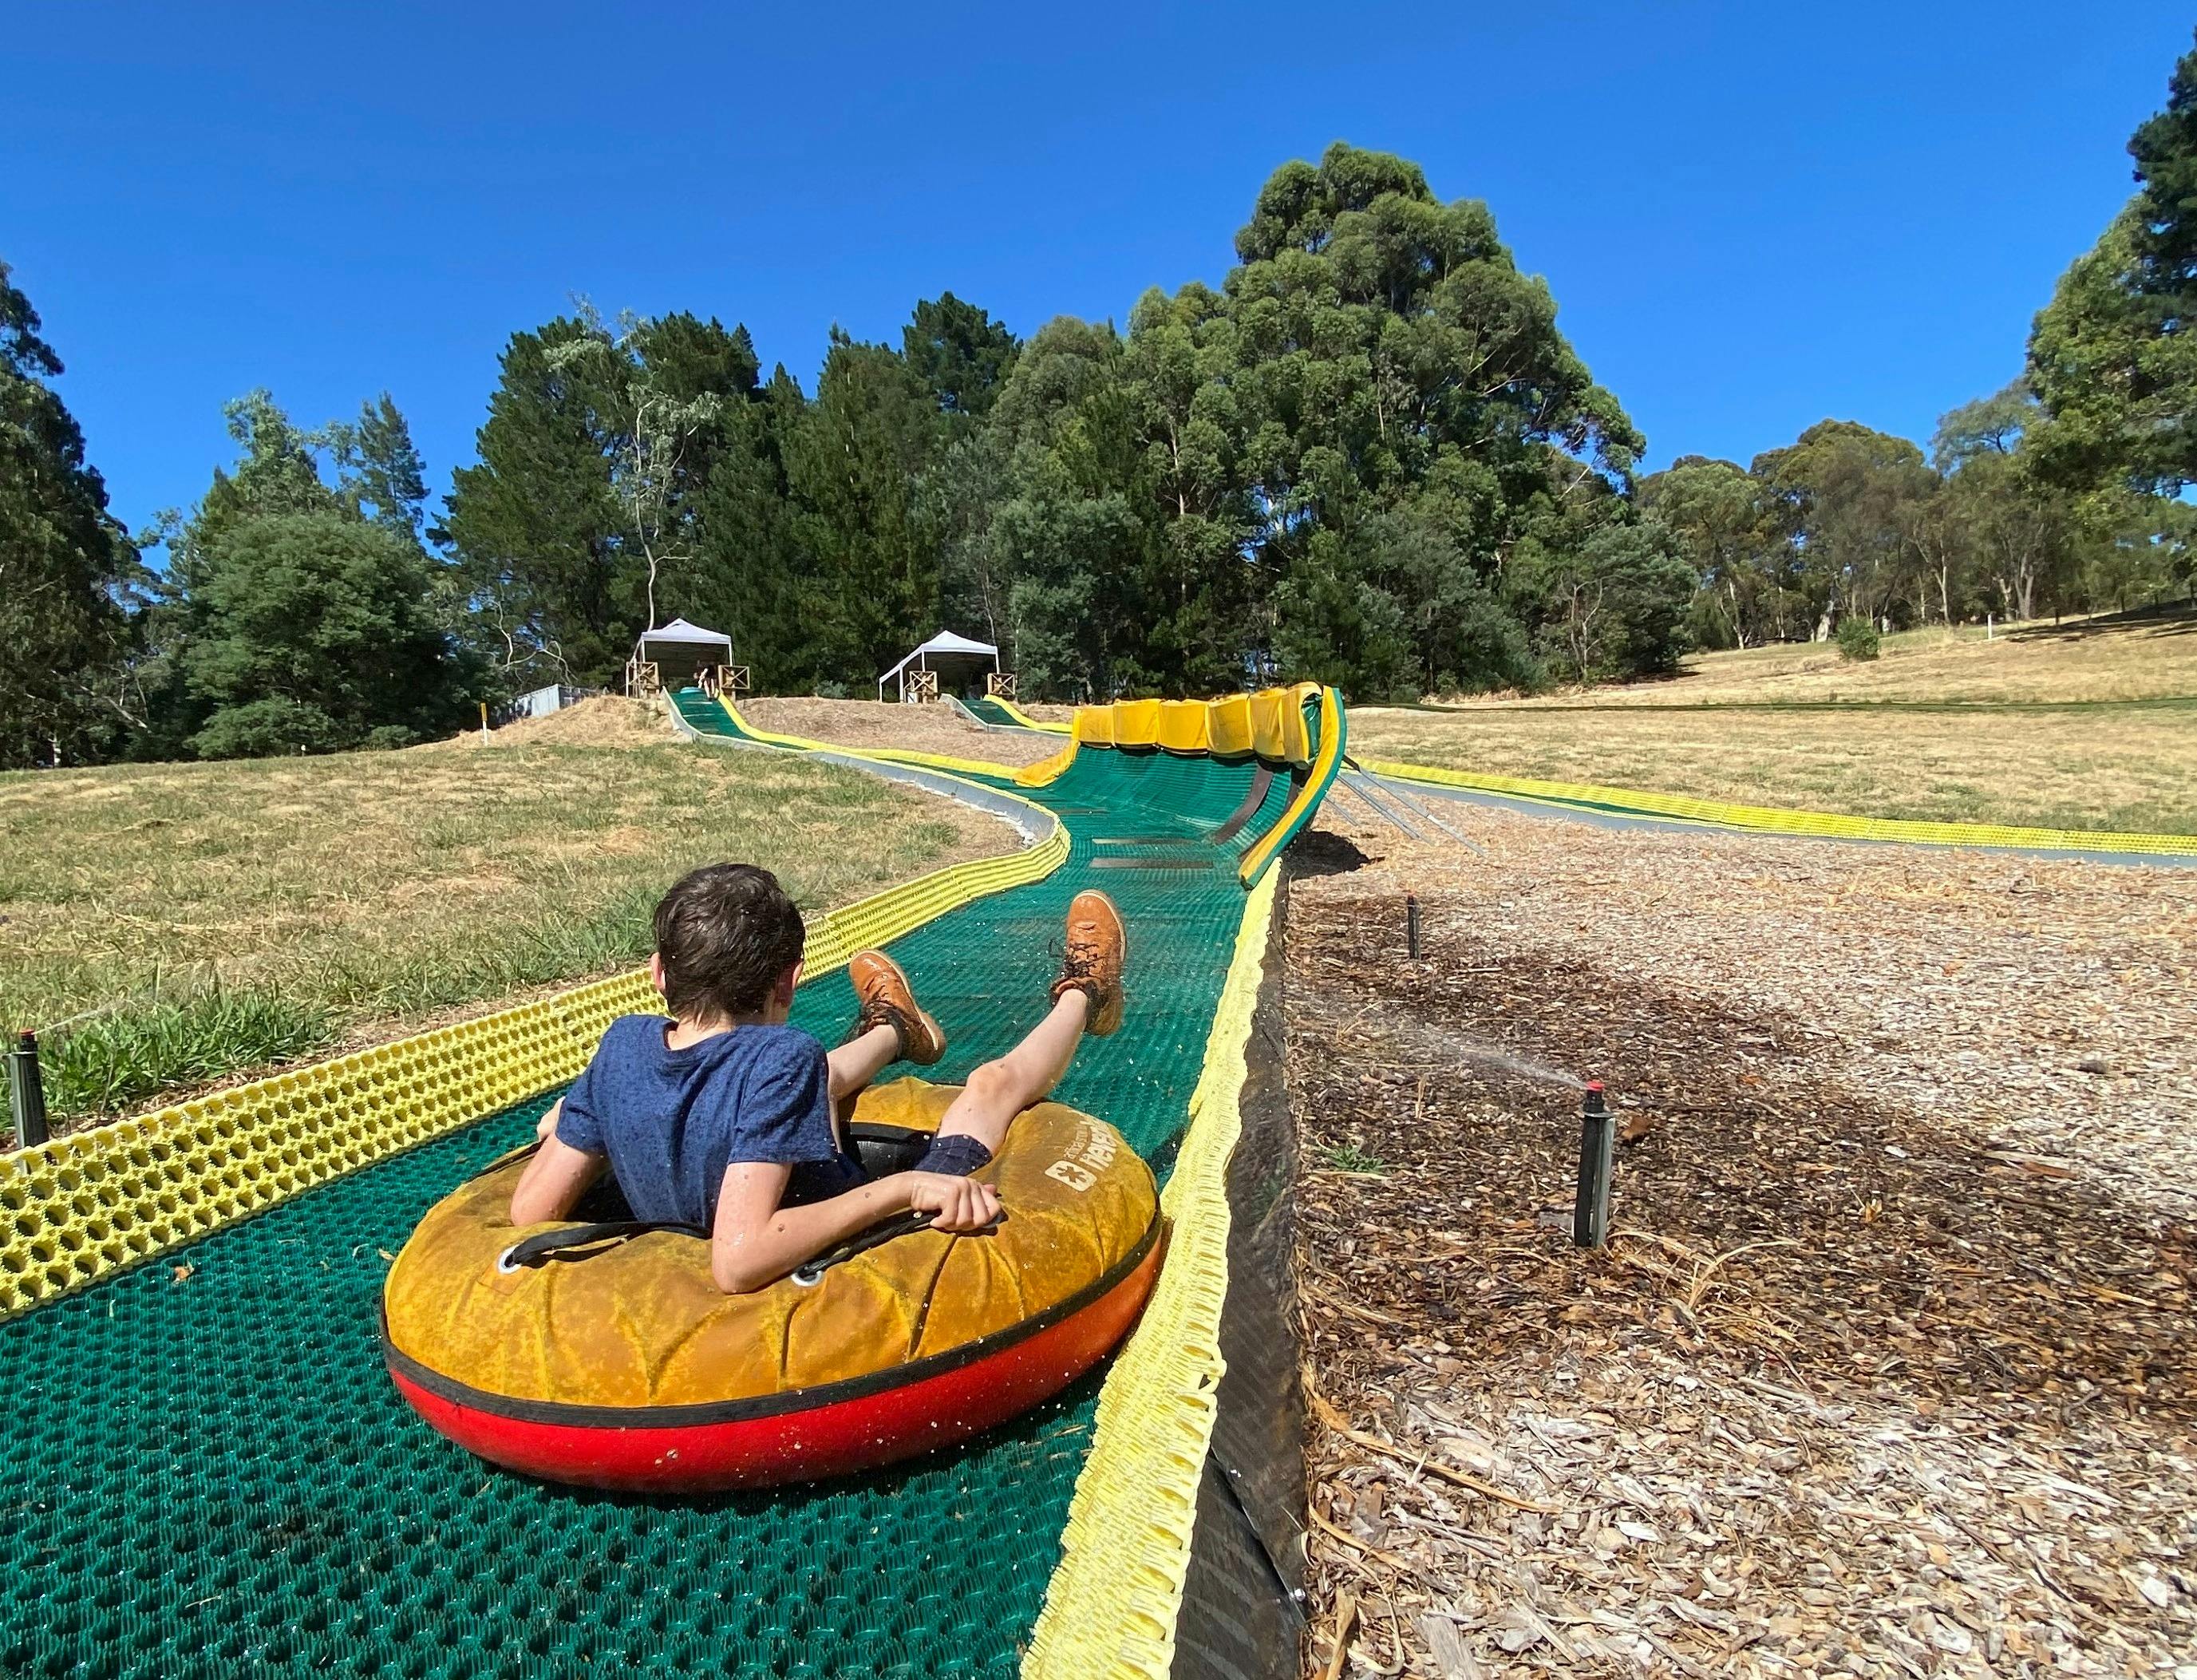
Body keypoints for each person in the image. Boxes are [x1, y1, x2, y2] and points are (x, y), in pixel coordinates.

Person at [508, 863, 1128, 1294]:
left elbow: (532, 1208)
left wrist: (586, 1114)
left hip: (776, 1168)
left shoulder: (620, 1046)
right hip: (861, 1234)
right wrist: (906, 1186)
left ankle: (896, 1030)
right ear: (788, 981)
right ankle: (1086, 993)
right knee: (992, 1083)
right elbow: (738, 1260)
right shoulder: (784, 1056)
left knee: (798, 1083)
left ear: (658, 974)